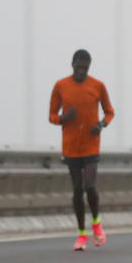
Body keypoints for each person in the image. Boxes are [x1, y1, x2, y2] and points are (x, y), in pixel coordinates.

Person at [49, 49, 115, 251]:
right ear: (72, 65)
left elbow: (110, 112)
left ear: (89, 67)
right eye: (78, 67)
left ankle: (96, 222)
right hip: (70, 147)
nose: (81, 72)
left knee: (89, 186)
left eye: (85, 68)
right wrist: (63, 118)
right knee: (77, 190)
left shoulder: (97, 86)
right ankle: (81, 234)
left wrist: (101, 125)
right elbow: (51, 115)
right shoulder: (61, 86)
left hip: (91, 145)